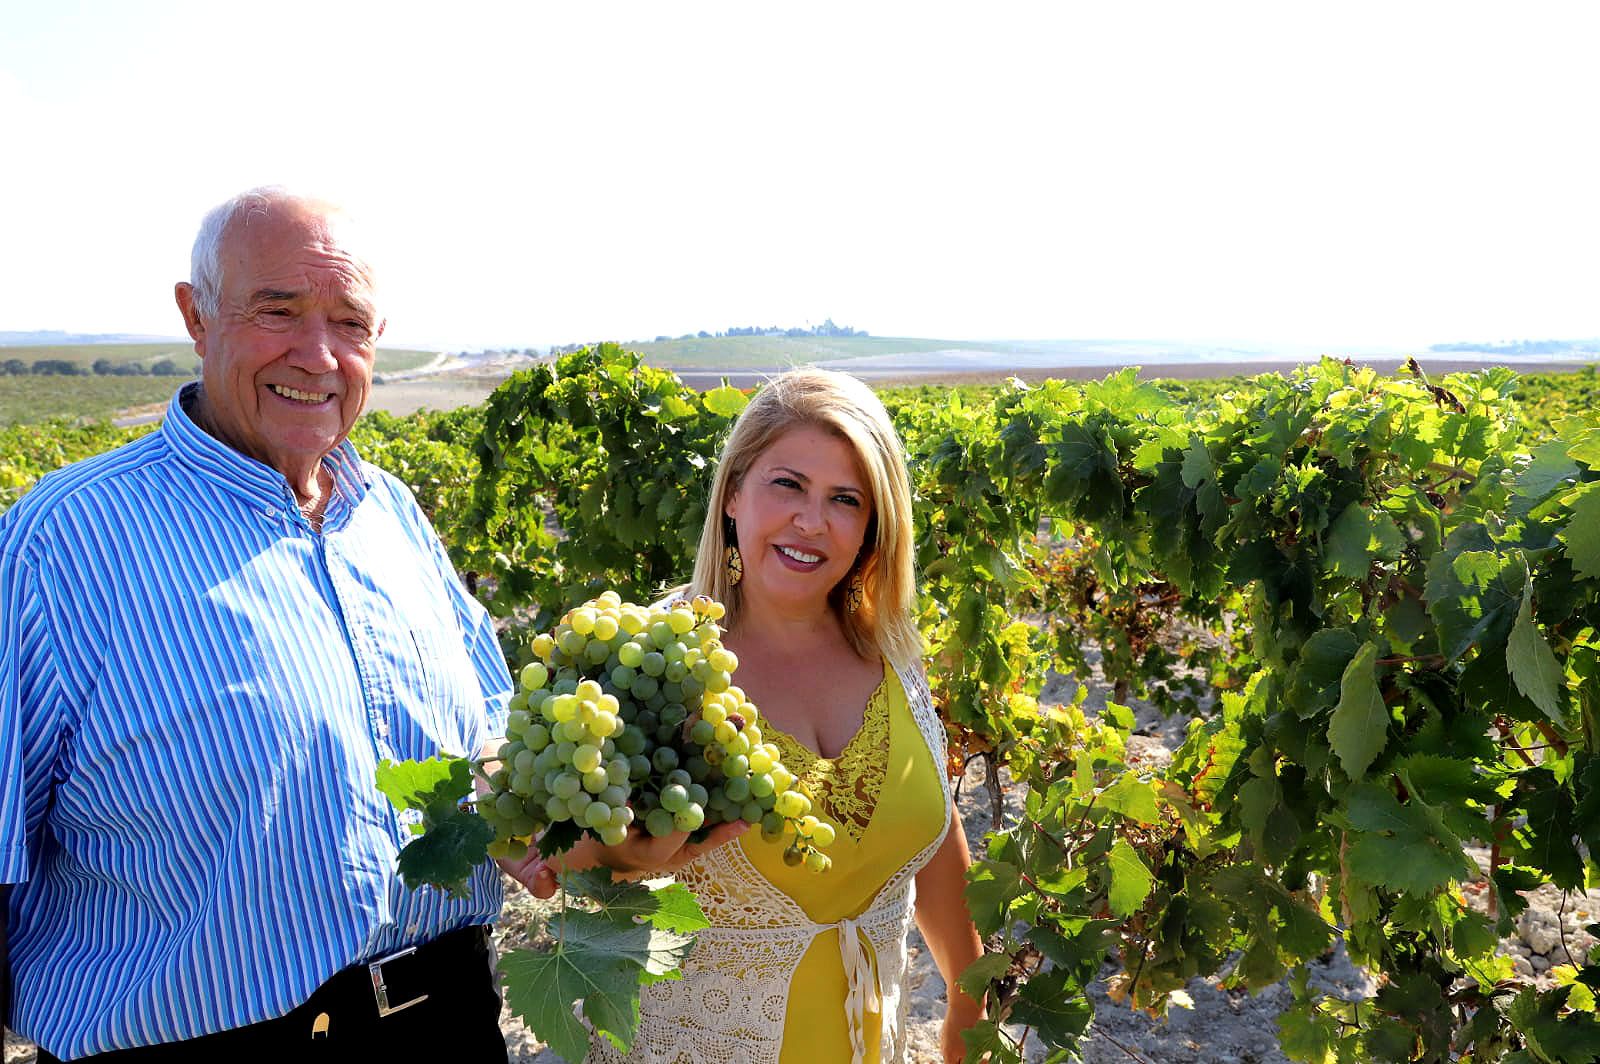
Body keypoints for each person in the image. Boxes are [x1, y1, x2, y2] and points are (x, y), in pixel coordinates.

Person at [0, 187, 551, 1061]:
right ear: (195, 315)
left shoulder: (392, 515)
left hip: (446, 1020)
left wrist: (528, 812)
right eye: (278, 311)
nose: (318, 354)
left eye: (351, 323)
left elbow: (489, 722)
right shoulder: (62, 542)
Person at [573, 368, 985, 1063]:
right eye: (787, 484)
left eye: (845, 499)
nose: (812, 521)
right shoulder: (656, 665)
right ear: (734, 493)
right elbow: (572, 860)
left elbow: (934, 837)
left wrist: (966, 1011)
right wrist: (624, 856)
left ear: (872, 527)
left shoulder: (894, 657)